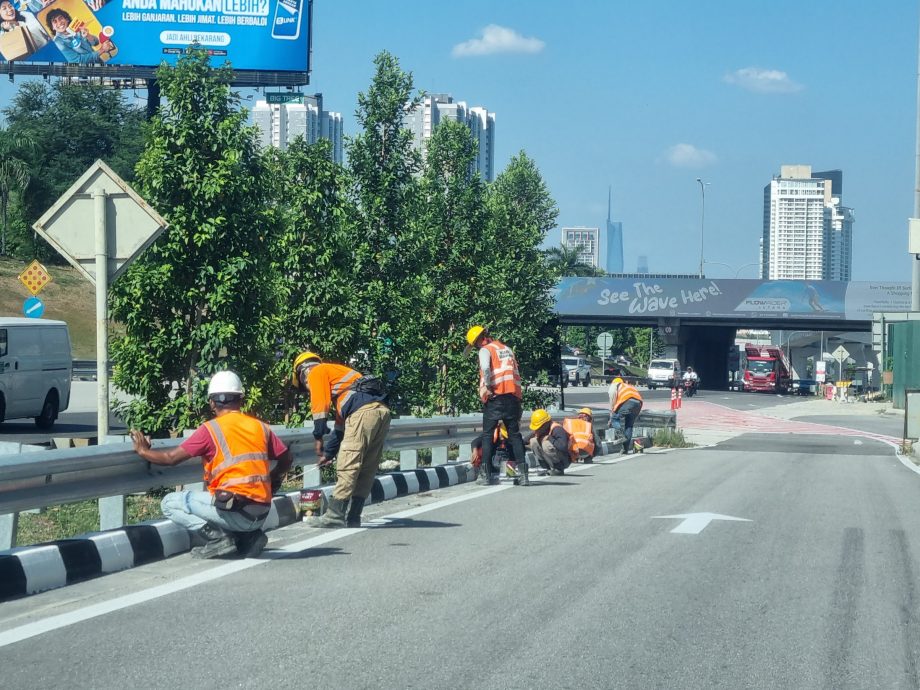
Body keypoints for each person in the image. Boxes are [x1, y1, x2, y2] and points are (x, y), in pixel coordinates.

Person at [130, 371, 292, 559]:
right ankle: (250, 537)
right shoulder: (260, 427)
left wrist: (143, 451)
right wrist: (272, 479)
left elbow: (170, 458)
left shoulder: (210, 430)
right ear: (241, 399)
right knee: (219, 497)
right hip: (261, 513)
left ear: (212, 402)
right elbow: (287, 459)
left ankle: (218, 539)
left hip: (236, 512)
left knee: (170, 503)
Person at [291, 351, 391, 528]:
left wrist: (318, 438)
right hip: (381, 412)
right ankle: (354, 516)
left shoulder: (315, 371)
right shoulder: (344, 387)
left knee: (347, 464)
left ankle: (335, 515)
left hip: (363, 414)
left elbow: (320, 405)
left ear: (301, 372)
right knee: (367, 466)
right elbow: (339, 431)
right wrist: (329, 454)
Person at [465, 325, 528, 487]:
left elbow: (486, 368)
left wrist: (488, 386)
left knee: (487, 435)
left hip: (495, 397)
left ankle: (485, 476)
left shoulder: (485, 350)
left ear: (478, 341)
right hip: (513, 398)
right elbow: (515, 373)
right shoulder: (506, 349)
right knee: (514, 436)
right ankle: (522, 476)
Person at [45, 8, 110, 64]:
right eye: (55, 21)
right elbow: (77, 61)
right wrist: (102, 50)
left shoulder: (75, 28)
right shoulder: (58, 42)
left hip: (100, 63)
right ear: (52, 27)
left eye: (60, 18)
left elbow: (96, 42)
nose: (59, 23)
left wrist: (88, 36)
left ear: (67, 19)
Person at [525, 408, 571, 475]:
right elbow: (525, 440)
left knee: (546, 444)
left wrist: (549, 438)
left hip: (564, 460)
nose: (537, 429)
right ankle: (545, 468)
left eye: (539, 427)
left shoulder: (557, 429)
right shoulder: (541, 430)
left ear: (546, 424)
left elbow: (563, 447)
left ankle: (558, 469)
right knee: (533, 441)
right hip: (552, 458)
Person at [609, 376, 644, 455]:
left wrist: (612, 415)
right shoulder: (628, 386)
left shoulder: (615, 385)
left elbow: (612, 400)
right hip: (638, 403)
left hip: (628, 401)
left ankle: (620, 435)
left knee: (614, 419)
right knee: (629, 425)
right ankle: (625, 450)